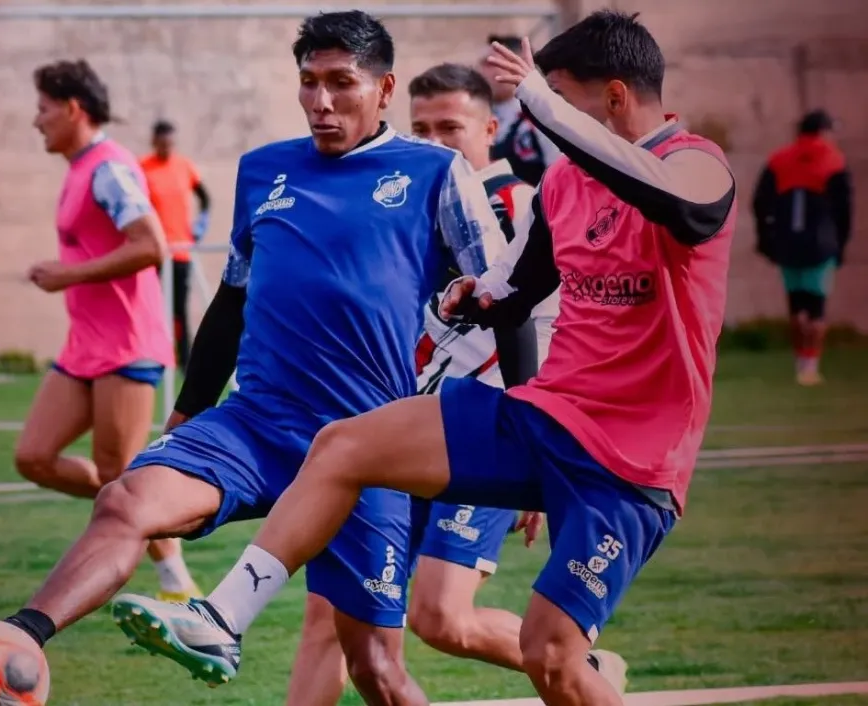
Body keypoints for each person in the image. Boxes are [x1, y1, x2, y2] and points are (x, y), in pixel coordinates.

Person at [0, 11, 531, 703]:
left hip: (366, 448)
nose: (321, 100)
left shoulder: (436, 173)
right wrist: (189, 410)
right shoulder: (265, 171)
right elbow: (231, 301)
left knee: (375, 668)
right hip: (257, 423)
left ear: (384, 88)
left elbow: (506, 297)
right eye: (308, 82)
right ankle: (12, 641)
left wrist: (528, 426)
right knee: (125, 497)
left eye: (342, 82)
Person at [165, 11, 738, 706]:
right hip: (545, 419)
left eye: (556, 98)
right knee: (344, 444)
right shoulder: (561, 188)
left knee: (551, 656)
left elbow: (688, 212)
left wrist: (540, 103)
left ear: (614, 97)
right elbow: (516, 290)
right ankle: (222, 616)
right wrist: (476, 295)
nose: (537, 120)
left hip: (631, 464)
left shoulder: (695, 164)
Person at [284, 62, 625, 706]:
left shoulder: (521, 206)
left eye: (451, 127)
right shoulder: (403, 203)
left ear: (489, 129)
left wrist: (540, 441)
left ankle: (585, 668)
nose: (436, 142)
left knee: (442, 619)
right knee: (332, 617)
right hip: (403, 429)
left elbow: (548, 324)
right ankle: (586, 665)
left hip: (489, 427)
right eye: (421, 128)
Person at [16, 61, 200, 604]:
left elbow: (150, 246)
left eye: (43, 108)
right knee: (34, 457)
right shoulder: (78, 169)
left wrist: (65, 274)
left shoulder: (109, 168)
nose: (36, 120)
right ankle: (153, 518)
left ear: (73, 109)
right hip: (83, 348)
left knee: (120, 472)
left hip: (127, 345)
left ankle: (177, 583)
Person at [753, 109, 852, 385]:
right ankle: (811, 366)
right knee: (817, 307)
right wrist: (841, 245)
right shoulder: (833, 159)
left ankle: (800, 362)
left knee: (796, 306)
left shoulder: (779, 159)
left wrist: (766, 238)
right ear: (823, 131)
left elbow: (760, 202)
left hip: (787, 243)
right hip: (822, 244)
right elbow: (845, 209)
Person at [141, 119, 212, 372]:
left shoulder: (184, 167)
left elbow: (204, 198)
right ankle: (152, 355)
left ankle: (185, 361)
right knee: (151, 306)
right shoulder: (143, 168)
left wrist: (201, 223)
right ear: (154, 142)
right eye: (162, 144)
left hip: (181, 250)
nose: (166, 148)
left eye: (170, 144)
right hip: (152, 252)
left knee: (179, 308)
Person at [476, 34, 561, 186]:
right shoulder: (480, 119)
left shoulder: (542, 116)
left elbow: (561, 178)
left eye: (490, 63)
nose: (480, 72)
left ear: (517, 63)